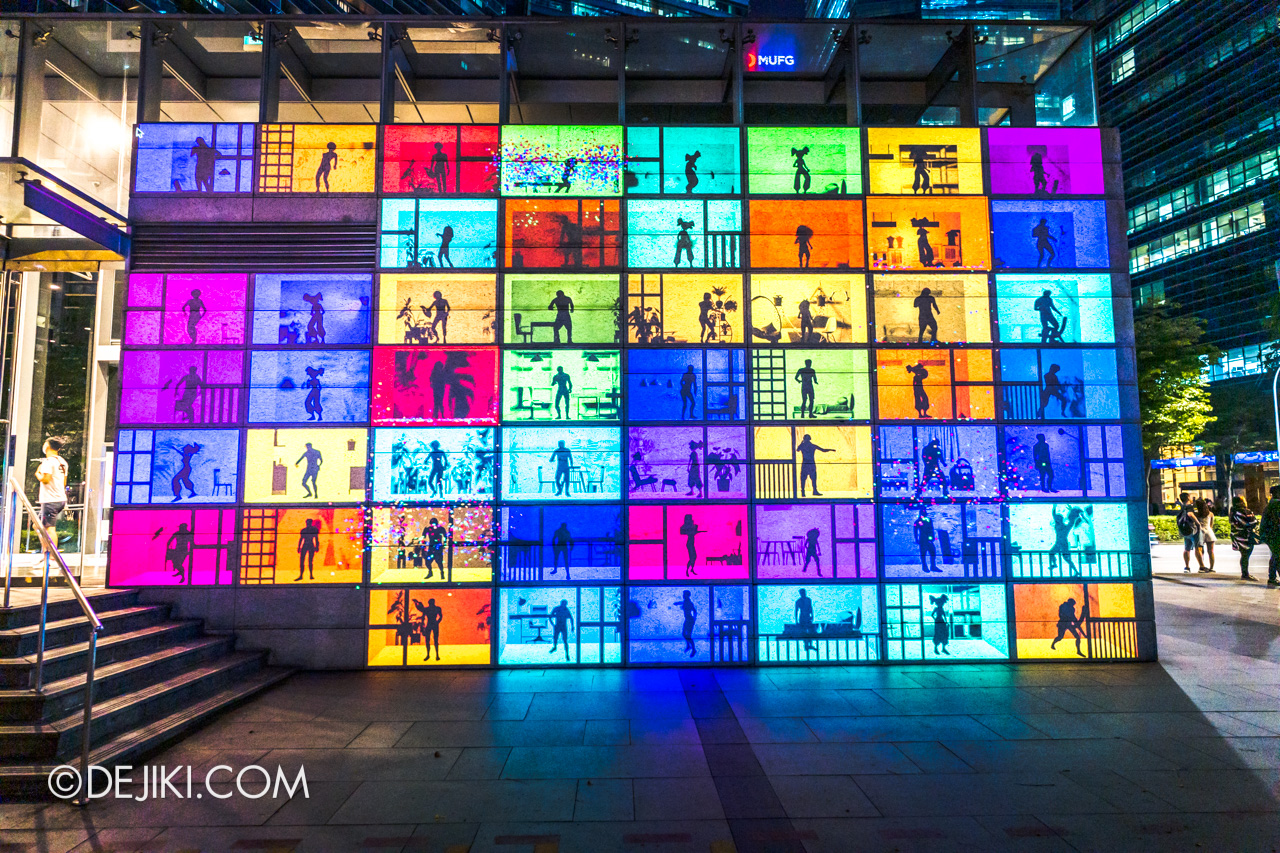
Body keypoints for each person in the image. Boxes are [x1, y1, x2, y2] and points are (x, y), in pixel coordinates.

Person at [35, 437, 69, 553]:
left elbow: (45, 479)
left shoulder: (48, 462)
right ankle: (45, 552)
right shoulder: (62, 462)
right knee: (38, 526)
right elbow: (64, 482)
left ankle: (53, 556)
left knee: (50, 528)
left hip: (50, 500)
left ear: (48, 445)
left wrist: (38, 474)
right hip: (60, 498)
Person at [1229, 497, 1260, 581]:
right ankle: (1245, 574)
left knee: (1244, 555)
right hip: (1246, 537)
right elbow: (1252, 522)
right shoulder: (1245, 511)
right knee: (1246, 555)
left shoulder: (1233, 512)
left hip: (1237, 536)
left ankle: (1244, 573)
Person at [795, 433, 834, 498]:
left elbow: (797, 449)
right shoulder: (812, 446)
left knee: (804, 478)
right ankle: (814, 491)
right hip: (811, 464)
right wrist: (830, 450)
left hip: (805, 464)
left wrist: (802, 443)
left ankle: (803, 492)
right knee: (813, 478)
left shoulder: (803, 446)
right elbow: (823, 450)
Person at [1176, 492, 1206, 573]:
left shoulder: (1182, 507)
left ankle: (1187, 567)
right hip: (1193, 529)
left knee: (1187, 549)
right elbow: (1190, 514)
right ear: (1188, 497)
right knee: (1197, 547)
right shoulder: (1190, 507)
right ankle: (1202, 566)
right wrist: (1198, 524)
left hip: (1186, 530)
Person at [1258, 485, 1280, 586]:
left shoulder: (1271, 505)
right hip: (1275, 535)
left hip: (1270, 535)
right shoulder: (1276, 505)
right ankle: (1272, 578)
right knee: (1277, 556)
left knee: (1276, 556)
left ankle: (1272, 577)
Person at [1049, 505, 1079, 575]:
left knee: (1066, 558)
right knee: (1052, 553)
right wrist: (1054, 507)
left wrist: (1054, 507)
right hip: (1059, 543)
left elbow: (1071, 522)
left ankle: (1076, 571)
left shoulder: (1062, 526)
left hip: (1062, 544)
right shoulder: (1062, 526)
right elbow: (1054, 515)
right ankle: (1054, 564)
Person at [1195, 498, 1217, 573]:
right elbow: (1211, 525)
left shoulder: (1196, 514)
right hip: (1209, 532)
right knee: (1211, 551)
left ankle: (1202, 566)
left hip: (1200, 532)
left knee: (1199, 550)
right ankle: (1211, 568)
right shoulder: (1210, 514)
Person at [914, 507, 938, 573]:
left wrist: (932, 537)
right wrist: (916, 539)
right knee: (923, 553)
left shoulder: (929, 520)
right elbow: (915, 531)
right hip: (923, 540)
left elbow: (931, 529)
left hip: (928, 539)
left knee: (932, 552)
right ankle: (925, 566)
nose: (925, 513)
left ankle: (932, 566)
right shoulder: (918, 521)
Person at [675, 590, 698, 657]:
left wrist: (694, 619)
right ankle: (688, 646)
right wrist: (678, 603)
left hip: (690, 620)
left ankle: (694, 649)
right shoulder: (686, 602)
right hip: (687, 620)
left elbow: (695, 611)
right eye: (683, 594)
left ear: (687, 595)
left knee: (688, 636)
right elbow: (683, 603)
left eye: (684, 594)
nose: (683, 595)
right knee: (684, 634)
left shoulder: (689, 603)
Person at [795, 589, 817, 653]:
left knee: (810, 630)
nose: (804, 594)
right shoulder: (798, 601)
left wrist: (812, 616)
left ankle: (809, 644)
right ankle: (806, 644)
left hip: (807, 617)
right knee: (804, 631)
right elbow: (796, 611)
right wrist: (796, 620)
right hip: (802, 617)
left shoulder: (808, 600)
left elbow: (811, 608)